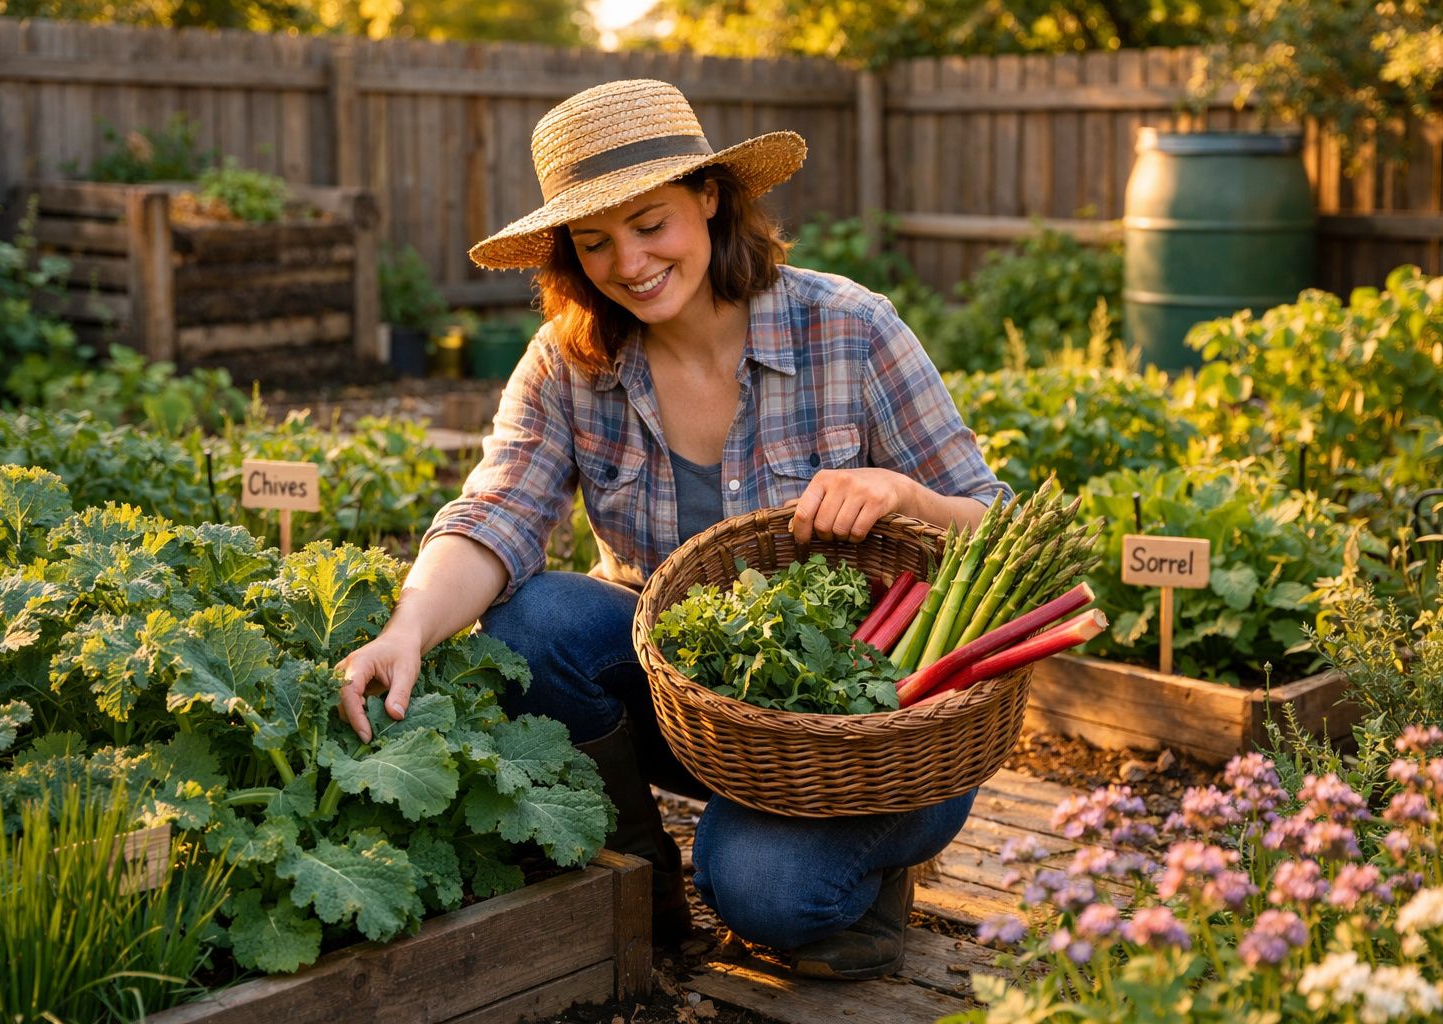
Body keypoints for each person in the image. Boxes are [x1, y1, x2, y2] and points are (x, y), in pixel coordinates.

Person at [338, 78, 1011, 980]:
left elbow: (996, 523)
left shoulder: (848, 330)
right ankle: (638, 880)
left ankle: (868, 872)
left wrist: (906, 497)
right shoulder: (572, 364)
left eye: (650, 223)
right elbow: (495, 512)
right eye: (596, 241)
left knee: (767, 895)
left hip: (869, 733)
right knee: (532, 624)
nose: (629, 262)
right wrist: (406, 628)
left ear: (708, 197)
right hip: (694, 711)